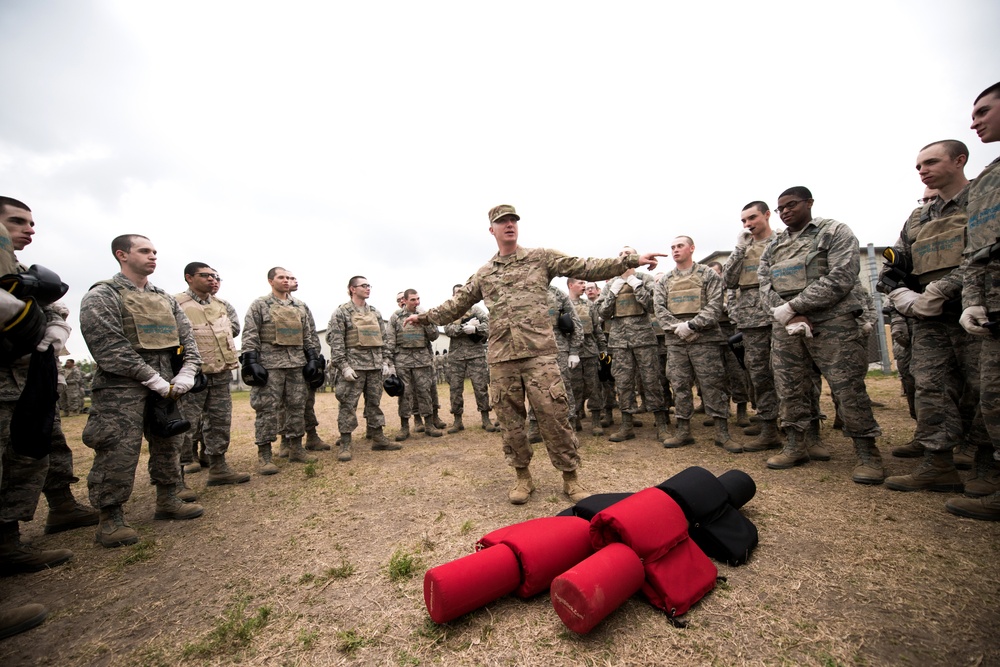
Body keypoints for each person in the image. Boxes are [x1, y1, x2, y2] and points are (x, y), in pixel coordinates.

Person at [405, 204, 664, 504]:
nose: (509, 225)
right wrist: (423, 318)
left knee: (554, 416)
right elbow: (456, 305)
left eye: (513, 220)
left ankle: (570, 477)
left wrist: (629, 261)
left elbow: (585, 266)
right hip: (502, 358)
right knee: (511, 421)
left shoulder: (541, 258)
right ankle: (522, 477)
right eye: (502, 222)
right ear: (492, 230)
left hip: (539, 354)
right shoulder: (485, 273)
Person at [877, 141, 988, 496]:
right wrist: (906, 298)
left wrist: (942, 290)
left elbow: (982, 256)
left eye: (930, 162)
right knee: (931, 388)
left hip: (973, 312)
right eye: (918, 165)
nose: (922, 170)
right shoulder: (917, 218)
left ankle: (986, 464)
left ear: (959, 160)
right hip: (926, 319)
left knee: (985, 390)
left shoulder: (983, 202)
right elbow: (893, 264)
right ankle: (938, 463)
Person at [81, 234, 204, 548]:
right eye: (145, 251)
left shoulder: (164, 298)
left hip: (167, 385)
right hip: (121, 388)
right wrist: (152, 378)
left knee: (169, 441)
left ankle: (168, 498)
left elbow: (187, 339)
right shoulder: (104, 294)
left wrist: (188, 371)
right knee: (118, 450)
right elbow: (108, 346)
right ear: (122, 255)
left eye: (155, 252)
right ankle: (110, 518)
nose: (153, 257)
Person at [758, 187, 885, 484]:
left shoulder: (834, 231)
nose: (785, 211)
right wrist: (786, 312)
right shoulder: (774, 245)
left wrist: (795, 305)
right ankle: (795, 444)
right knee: (790, 387)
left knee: (846, 388)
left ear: (809, 203)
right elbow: (763, 284)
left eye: (791, 205)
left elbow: (842, 276)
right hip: (787, 326)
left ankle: (868, 453)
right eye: (780, 208)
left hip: (833, 323)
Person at [0, 197, 78, 572]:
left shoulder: (20, 270)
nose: (29, 229)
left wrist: (56, 326)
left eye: (31, 223)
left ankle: (9, 542)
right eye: (17, 221)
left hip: (28, 380)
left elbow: (54, 310)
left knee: (30, 455)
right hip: (6, 380)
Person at [950, 81, 1000, 520]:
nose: (974, 121)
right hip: (991, 311)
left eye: (984, 111)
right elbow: (974, 250)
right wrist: (973, 298)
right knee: (994, 397)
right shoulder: (987, 182)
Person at [652, 237, 737, 451]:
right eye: (672, 247)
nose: (675, 250)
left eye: (680, 246)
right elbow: (659, 309)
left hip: (705, 340)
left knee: (712, 383)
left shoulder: (707, 274)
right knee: (679, 384)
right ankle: (683, 431)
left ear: (691, 248)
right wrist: (677, 328)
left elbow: (715, 305)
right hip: (676, 341)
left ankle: (722, 432)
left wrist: (692, 326)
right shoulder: (665, 280)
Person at [241, 267, 323, 473]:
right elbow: (250, 334)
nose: (286, 281)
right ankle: (265, 455)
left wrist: (313, 358)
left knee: (297, 407)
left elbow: (310, 334)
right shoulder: (260, 305)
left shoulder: (300, 306)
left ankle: (296, 448)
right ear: (271, 281)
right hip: (270, 366)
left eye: (288, 277)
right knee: (266, 410)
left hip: (297, 364)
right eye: (281, 277)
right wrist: (251, 361)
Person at [174, 263, 250, 486]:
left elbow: (233, 329)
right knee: (186, 424)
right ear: (189, 277)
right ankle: (177, 477)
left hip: (220, 373)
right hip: (191, 375)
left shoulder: (222, 304)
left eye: (214, 276)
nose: (211, 279)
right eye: (205, 275)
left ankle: (218, 467)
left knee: (219, 422)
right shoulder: (176, 303)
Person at [721, 201, 783, 451]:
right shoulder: (743, 249)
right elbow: (728, 280)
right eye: (744, 221)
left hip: (781, 314)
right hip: (752, 321)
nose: (748, 224)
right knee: (759, 375)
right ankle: (769, 428)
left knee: (791, 375)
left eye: (752, 218)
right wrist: (738, 249)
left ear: (767, 215)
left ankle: (803, 431)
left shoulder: (783, 240)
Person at [596, 246, 670, 443]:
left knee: (652, 380)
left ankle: (661, 425)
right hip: (619, 341)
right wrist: (614, 290)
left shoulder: (645, 279)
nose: (625, 256)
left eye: (629, 253)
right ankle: (627, 425)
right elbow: (602, 313)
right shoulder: (611, 282)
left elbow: (653, 306)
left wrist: (635, 285)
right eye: (622, 254)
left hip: (644, 338)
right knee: (623, 382)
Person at [327, 276, 398, 461]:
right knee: (348, 405)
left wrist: (385, 362)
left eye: (369, 285)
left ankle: (378, 438)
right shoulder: (341, 312)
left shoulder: (374, 312)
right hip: (354, 368)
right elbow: (336, 343)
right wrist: (343, 367)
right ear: (352, 288)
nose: (367, 288)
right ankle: (345, 443)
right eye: (363, 285)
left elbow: (382, 339)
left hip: (374, 367)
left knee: (374, 404)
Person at [385, 289, 443, 441]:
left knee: (425, 392)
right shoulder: (396, 317)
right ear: (404, 301)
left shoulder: (424, 316)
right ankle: (404, 427)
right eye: (413, 300)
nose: (417, 302)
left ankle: (429, 425)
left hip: (422, 361)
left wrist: (425, 319)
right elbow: (390, 340)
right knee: (405, 394)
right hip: (403, 362)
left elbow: (434, 336)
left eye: (418, 299)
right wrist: (389, 363)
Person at [441, 284, 495, 433]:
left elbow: (489, 325)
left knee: (480, 387)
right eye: (456, 293)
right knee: (455, 389)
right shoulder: (451, 312)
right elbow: (447, 329)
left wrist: (476, 329)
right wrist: (463, 328)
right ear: (453, 295)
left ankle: (486, 419)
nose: (459, 295)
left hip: (475, 355)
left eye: (461, 292)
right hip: (456, 357)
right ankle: (457, 421)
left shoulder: (476, 310)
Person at [567, 277, 607, 436]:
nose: (584, 286)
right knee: (574, 387)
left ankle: (596, 420)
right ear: (571, 285)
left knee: (593, 385)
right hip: (572, 353)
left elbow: (597, 328)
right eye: (580, 283)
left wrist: (602, 347)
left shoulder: (589, 305)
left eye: (585, 283)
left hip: (590, 351)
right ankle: (575, 417)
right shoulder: (564, 306)